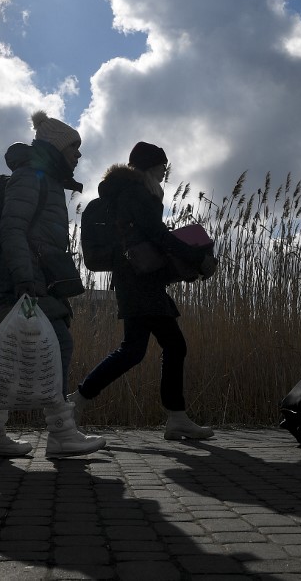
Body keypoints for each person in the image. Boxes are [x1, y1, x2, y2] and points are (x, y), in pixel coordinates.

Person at [0, 111, 105, 458]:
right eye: (73, 148)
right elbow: (12, 230)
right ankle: (61, 434)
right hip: (25, 281)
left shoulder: (44, 180)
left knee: (9, 356)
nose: (78, 156)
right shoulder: (30, 178)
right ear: (55, 148)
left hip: (29, 280)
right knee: (57, 344)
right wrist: (26, 280)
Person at [68, 142, 216, 441]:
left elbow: (148, 237)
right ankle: (174, 417)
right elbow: (157, 235)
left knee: (136, 350)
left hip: (136, 279)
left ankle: (79, 402)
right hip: (139, 282)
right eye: (161, 168)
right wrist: (196, 257)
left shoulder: (126, 193)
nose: (164, 173)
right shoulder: (136, 192)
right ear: (148, 167)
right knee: (168, 346)